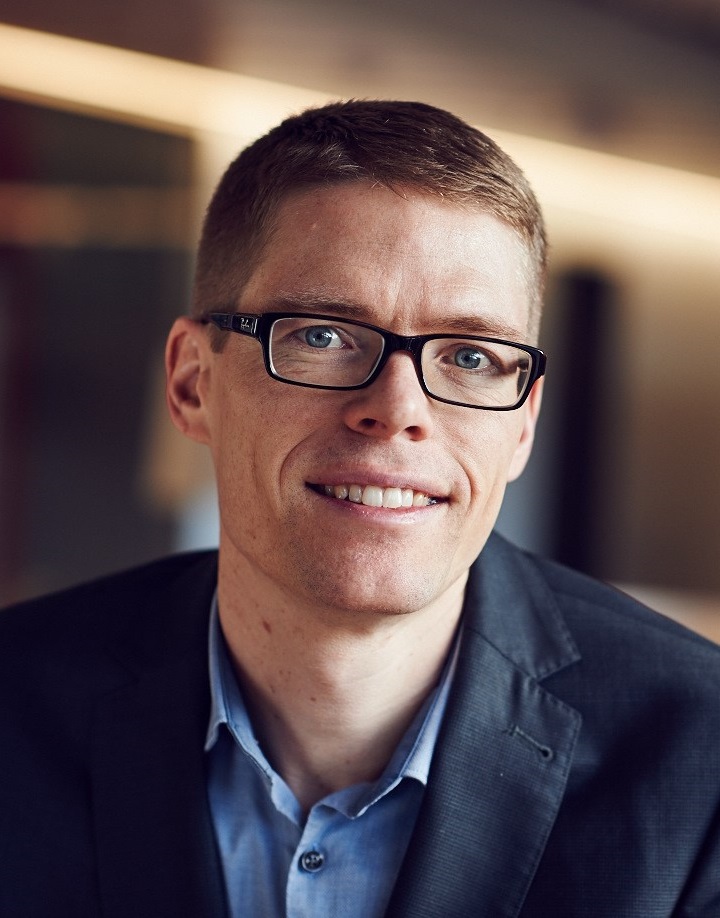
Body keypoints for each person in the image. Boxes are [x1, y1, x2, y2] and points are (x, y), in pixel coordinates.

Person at [1, 100, 719, 918]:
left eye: (470, 355)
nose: (398, 410)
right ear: (193, 382)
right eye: (322, 335)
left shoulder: (701, 764)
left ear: (523, 425)